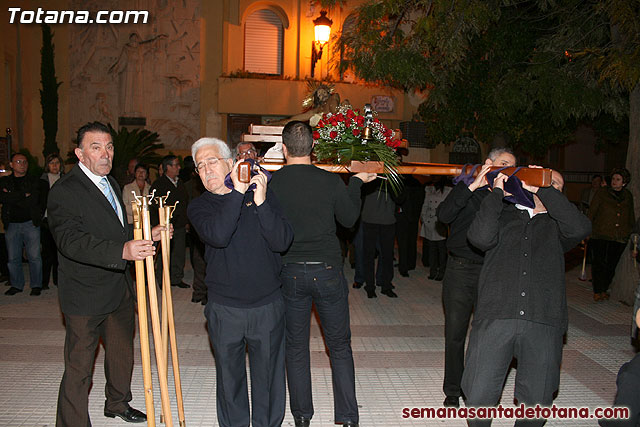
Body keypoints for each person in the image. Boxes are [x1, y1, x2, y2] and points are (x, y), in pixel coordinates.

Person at [48, 121, 168, 426]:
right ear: (80, 153)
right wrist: (122, 252)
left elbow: (115, 231)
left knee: (120, 354)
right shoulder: (65, 190)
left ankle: (117, 403)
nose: (106, 153)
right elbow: (70, 240)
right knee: (79, 366)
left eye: (110, 146)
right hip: (84, 293)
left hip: (117, 289)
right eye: (96, 147)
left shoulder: (111, 183)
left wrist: (144, 233)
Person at [462, 170, 591, 426]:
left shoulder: (559, 225)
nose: (548, 186)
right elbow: (479, 237)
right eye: (543, 180)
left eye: (555, 185)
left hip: (543, 320)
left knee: (537, 400)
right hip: (496, 316)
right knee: (478, 394)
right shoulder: (503, 214)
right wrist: (498, 193)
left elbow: (581, 228)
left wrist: (542, 189)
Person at [269, 121, 376, 427]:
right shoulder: (329, 181)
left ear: (284, 147)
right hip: (327, 271)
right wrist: (356, 183)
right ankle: (347, 417)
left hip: (289, 272)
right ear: (313, 147)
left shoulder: (273, 184)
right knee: (340, 346)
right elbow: (349, 219)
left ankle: (302, 417)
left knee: (296, 347)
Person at [187, 137, 293, 427]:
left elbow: (283, 241)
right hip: (225, 308)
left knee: (268, 379)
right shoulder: (199, 207)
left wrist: (261, 203)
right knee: (230, 379)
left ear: (231, 163)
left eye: (212, 161)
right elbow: (219, 234)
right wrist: (238, 193)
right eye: (200, 166)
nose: (206, 170)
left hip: (267, 306)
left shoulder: (263, 196)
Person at [435, 147, 516, 407]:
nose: (507, 170)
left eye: (512, 166)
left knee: (488, 334)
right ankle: (452, 390)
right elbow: (443, 216)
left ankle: (478, 388)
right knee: (455, 332)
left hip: (492, 270)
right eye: (503, 163)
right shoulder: (466, 191)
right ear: (488, 164)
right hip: (459, 269)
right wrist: (472, 186)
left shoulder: (508, 199)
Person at [1, 153, 46, 296]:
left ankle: (36, 285)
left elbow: (33, 201)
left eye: (25, 162)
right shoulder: (4, 181)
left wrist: (12, 196)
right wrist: (22, 195)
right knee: (13, 258)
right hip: (12, 224)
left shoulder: (33, 180)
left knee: (34, 256)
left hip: (30, 223)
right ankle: (16, 285)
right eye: (18, 161)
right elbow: (3, 198)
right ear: (11, 164)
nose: (22, 164)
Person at [588, 168, 635, 301]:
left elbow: (630, 215)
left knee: (611, 265)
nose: (614, 182)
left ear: (624, 182)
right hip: (600, 234)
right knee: (599, 263)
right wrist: (587, 229)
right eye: (613, 179)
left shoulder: (628, 196)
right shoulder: (602, 193)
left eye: (618, 180)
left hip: (619, 237)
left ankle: (604, 288)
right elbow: (592, 211)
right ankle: (597, 290)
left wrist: (629, 231)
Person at [150, 155, 190, 288]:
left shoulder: (180, 183)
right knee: (163, 254)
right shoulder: (159, 184)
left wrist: (186, 221)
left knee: (179, 253)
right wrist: (158, 224)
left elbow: (185, 202)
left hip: (179, 225)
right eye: (176, 165)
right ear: (168, 167)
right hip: (164, 226)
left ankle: (176, 278)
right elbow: (153, 206)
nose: (179, 167)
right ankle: (162, 279)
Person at [40, 153, 64, 289]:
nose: (55, 166)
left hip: (61, 220)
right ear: (47, 165)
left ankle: (58, 280)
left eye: (57, 162)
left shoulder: (66, 180)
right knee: (46, 253)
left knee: (59, 253)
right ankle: (43, 283)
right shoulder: (42, 181)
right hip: (46, 221)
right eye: (51, 163)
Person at [420, 177, 451, 280]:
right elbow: (425, 205)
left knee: (442, 250)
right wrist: (423, 218)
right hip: (429, 222)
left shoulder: (447, 191)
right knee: (432, 249)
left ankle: (442, 272)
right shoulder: (429, 190)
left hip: (440, 223)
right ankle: (432, 271)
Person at [395, 175, 425, 277]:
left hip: (403, 217)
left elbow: (399, 199)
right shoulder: (418, 183)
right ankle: (411, 264)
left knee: (403, 243)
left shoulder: (401, 183)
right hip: (414, 216)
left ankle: (403, 267)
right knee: (412, 242)